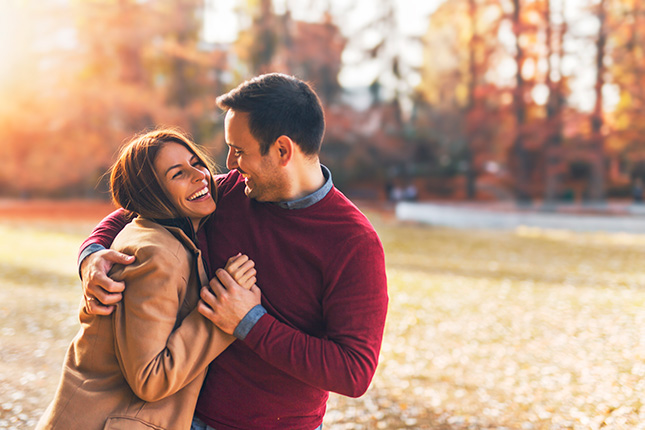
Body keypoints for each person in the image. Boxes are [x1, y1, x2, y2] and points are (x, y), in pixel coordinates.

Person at [79, 73, 389, 429]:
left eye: (239, 150)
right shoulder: (229, 193)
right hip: (183, 418)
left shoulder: (353, 243)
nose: (228, 163)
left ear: (283, 150)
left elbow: (353, 371)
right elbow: (139, 207)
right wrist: (92, 255)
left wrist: (249, 322)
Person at [38, 129, 258, 430]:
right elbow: (149, 379)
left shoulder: (158, 236)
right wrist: (222, 313)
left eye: (196, 162)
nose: (200, 176)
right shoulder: (156, 255)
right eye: (178, 174)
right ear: (151, 195)